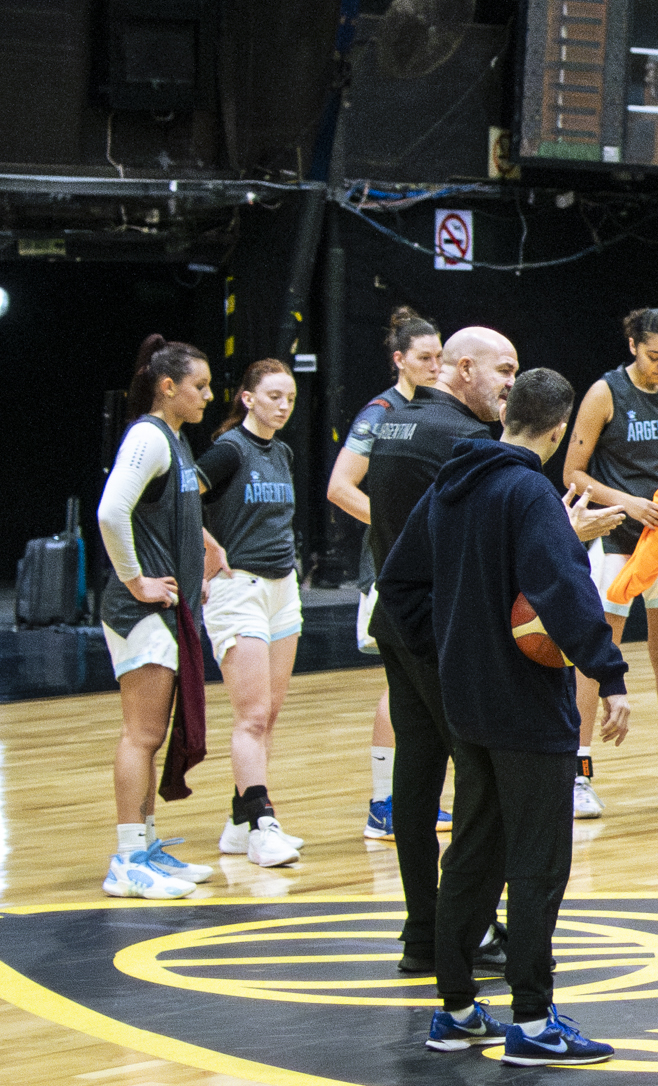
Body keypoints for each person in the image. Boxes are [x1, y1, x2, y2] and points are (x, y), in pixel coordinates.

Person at [382, 368, 632, 1065]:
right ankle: (531, 1020)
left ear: (505, 415)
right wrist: (607, 673)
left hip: (466, 703)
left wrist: (452, 650)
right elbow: (562, 588)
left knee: (473, 852)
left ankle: (457, 1010)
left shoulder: (452, 481)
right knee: (537, 863)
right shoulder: (529, 491)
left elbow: (399, 587)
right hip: (526, 706)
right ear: (556, 432)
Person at [563, 307, 658, 818]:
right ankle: (578, 776)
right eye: (653, 356)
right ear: (632, 346)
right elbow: (573, 473)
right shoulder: (605, 394)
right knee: (595, 658)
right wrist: (626, 502)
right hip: (616, 537)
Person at [96, 337, 220, 899]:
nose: (209, 396)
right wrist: (134, 579)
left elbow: (162, 508)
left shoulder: (174, 439)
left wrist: (205, 548)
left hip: (169, 614)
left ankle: (144, 847)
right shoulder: (149, 436)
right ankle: (126, 860)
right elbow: (110, 511)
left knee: (151, 735)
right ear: (167, 387)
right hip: (139, 612)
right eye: (200, 386)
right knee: (141, 735)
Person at [326, 307, 441, 841]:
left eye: (440, 357)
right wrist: (400, 521)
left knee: (424, 690)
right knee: (400, 690)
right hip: (392, 569)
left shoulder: (439, 410)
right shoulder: (379, 412)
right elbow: (340, 487)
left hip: (430, 570)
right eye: (424, 358)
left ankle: (416, 798)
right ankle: (381, 804)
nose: (435, 366)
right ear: (400, 360)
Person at [199, 359, 307, 869]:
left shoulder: (282, 451)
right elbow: (177, 502)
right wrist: (204, 546)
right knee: (252, 716)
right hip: (237, 588)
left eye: (288, 398)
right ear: (247, 398)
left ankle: (239, 824)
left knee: (271, 716)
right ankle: (264, 825)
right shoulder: (227, 452)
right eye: (272, 397)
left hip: (282, 590)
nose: (282, 406)